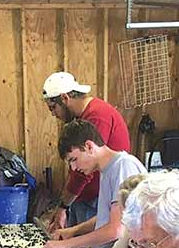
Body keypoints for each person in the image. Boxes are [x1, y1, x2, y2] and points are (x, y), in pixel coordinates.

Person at [42, 71, 130, 233]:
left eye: (53, 108)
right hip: (85, 197)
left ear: (65, 98)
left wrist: (63, 207)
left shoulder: (97, 115)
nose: (54, 114)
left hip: (95, 199)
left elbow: (82, 174)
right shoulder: (85, 116)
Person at [42, 120, 145, 248]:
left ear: (89, 146)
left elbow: (115, 230)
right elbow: (107, 217)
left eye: (74, 159)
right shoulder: (106, 170)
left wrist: (65, 244)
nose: (73, 168)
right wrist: (73, 231)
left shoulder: (123, 166)